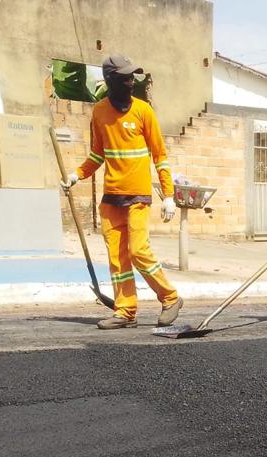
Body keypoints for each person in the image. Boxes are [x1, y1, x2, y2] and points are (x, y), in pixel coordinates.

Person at [62, 55, 182, 330]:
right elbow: (97, 155)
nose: (131, 82)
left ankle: (170, 297)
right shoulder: (100, 112)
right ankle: (125, 311)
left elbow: (160, 156)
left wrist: (168, 196)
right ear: (110, 81)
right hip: (112, 197)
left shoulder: (143, 111)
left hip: (138, 196)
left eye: (132, 77)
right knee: (117, 258)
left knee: (138, 251)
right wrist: (75, 175)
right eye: (125, 78)